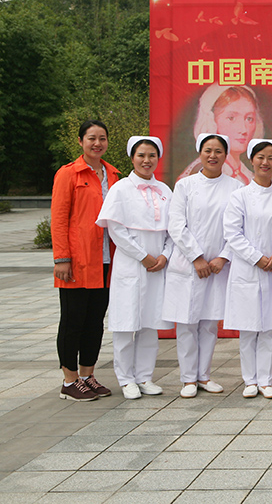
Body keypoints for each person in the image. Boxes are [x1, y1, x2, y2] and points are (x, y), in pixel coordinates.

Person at [164, 133, 243, 398]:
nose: (213, 156)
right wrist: (196, 257)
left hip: (217, 266)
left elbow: (239, 227)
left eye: (218, 151)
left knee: (209, 322)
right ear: (200, 153)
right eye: (208, 150)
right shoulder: (185, 186)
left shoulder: (235, 187)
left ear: (226, 155)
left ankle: (204, 376)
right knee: (187, 322)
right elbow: (176, 224)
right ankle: (188, 378)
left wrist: (224, 256)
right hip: (188, 265)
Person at [96, 136, 174, 399]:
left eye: (152, 155)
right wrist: (143, 257)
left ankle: (144, 376)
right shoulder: (120, 189)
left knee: (150, 324)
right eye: (141, 155)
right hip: (130, 265)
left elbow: (173, 230)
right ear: (132, 157)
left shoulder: (165, 190)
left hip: (157, 267)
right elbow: (116, 230)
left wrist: (164, 256)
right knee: (125, 324)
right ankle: (126, 379)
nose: (146, 160)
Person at [52, 120, 121, 401]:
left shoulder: (113, 175)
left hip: (106, 261)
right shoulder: (69, 173)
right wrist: (62, 258)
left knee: (95, 321)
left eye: (102, 138)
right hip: (77, 260)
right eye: (91, 138)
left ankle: (87, 375)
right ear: (81, 141)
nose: (97, 143)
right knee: (73, 321)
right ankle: (69, 381)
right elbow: (59, 218)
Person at [223, 139, 272, 399]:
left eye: (271, 158)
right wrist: (256, 258)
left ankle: (266, 380)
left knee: (270, 328)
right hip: (248, 269)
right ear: (251, 160)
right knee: (248, 327)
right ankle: (249, 381)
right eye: (260, 157)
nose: (265, 162)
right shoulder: (239, 196)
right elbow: (232, 233)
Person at [178, 84, 263, 184]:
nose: (243, 129)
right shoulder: (200, 173)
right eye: (231, 118)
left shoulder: (248, 175)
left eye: (249, 119)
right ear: (211, 121)